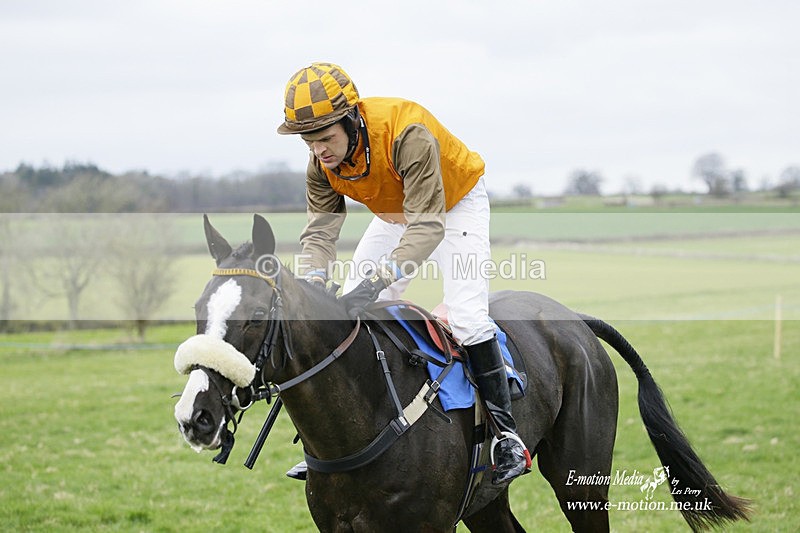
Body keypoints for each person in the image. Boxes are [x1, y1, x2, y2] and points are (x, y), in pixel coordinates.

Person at [277, 62, 530, 485]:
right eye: (309, 142)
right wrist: (315, 282)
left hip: (454, 204)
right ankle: (343, 438)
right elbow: (319, 232)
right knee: (344, 311)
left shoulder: (406, 133)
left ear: (352, 118)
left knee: (466, 317)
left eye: (325, 138)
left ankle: (506, 437)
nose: (319, 150)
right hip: (397, 215)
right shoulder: (319, 165)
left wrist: (379, 281)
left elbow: (428, 227)